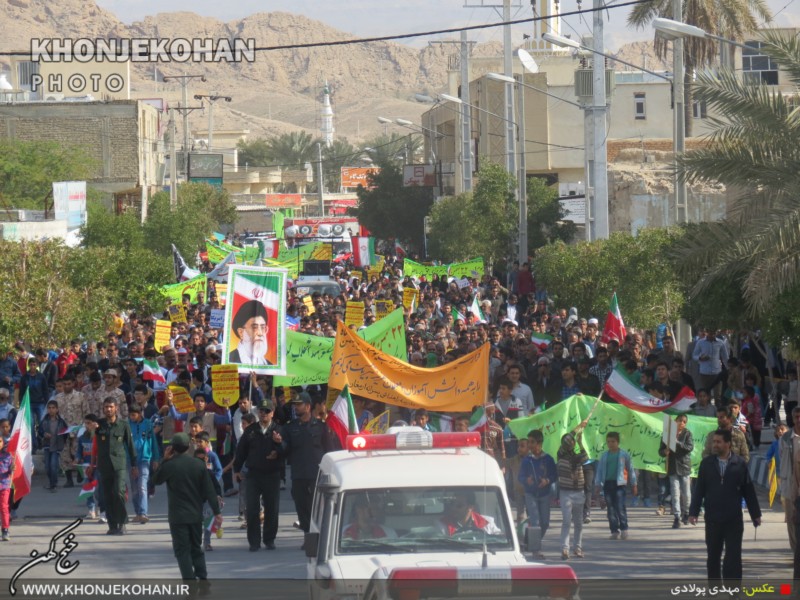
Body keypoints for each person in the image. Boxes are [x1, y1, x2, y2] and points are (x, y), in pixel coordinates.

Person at [689, 429, 761, 587]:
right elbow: (699, 489)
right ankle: (713, 588)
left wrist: (756, 514)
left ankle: (733, 590)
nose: (715, 445)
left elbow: (748, 490)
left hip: (733, 519)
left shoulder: (739, 463)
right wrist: (693, 512)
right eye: (714, 442)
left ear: (728, 444)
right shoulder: (707, 464)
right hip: (713, 519)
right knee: (713, 556)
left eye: (718, 442)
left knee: (733, 557)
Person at [152, 432, 222, 582]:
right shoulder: (198, 464)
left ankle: (189, 582)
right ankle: (202, 577)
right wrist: (217, 512)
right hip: (196, 514)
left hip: (177, 516)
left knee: (182, 550)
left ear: (172, 448)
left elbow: (156, 480)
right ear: (188, 446)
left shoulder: (170, 465)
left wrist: (164, 460)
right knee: (196, 547)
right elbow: (210, 490)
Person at [278, 391, 333, 535]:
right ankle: (308, 535)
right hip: (298, 473)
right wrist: (279, 443)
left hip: (316, 473)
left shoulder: (321, 426)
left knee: (315, 506)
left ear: (308, 407)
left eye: (299, 405)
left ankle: (318, 535)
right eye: (295, 405)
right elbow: (285, 449)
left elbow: (329, 449)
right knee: (301, 506)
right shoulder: (290, 427)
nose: (296, 408)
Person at [233, 400, 284, 552]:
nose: (264, 414)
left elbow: (287, 450)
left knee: (271, 508)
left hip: (272, 474)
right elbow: (241, 451)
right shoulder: (251, 430)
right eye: (261, 411)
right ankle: (254, 542)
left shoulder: (279, 430)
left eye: (267, 411)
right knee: (253, 509)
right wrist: (237, 470)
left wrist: (279, 446)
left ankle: (269, 539)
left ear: (272, 413)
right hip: (253, 475)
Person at [86, 397, 137, 535]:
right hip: (104, 465)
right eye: (106, 407)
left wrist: (134, 465)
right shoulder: (99, 424)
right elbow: (90, 436)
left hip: (119, 464)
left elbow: (130, 446)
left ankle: (122, 522)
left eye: (111, 407)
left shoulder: (123, 425)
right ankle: (112, 524)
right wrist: (92, 428)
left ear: (116, 409)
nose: (108, 409)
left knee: (119, 492)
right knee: (107, 495)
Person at [518, 430, 556, 559]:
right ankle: (536, 549)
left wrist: (547, 481)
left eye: (532, 442)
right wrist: (526, 480)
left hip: (545, 494)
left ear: (539, 443)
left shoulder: (548, 459)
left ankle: (529, 540)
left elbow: (554, 475)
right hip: (530, 494)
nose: (529, 445)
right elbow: (520, 477)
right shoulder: (526, 461)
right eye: (528, 442)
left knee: (544, 523)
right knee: (535, 522)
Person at [594, 431, 637, 540]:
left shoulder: (623, 455)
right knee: (610, 509)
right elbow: (599, 471)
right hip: (607, 484)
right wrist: (597, 484)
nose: (611, 444)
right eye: (608, 442)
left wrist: (634, 484)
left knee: (620, 506)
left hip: (620, 485)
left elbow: (631, 470)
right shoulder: (604, 456)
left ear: (618, 442)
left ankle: (624, 529)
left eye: (613, 441)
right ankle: (614, 531)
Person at [557, 428, 588, 560]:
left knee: (578, 522)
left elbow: (586, 457)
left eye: (572, 442)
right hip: (565, 492)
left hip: (579, 492)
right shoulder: (561, 454)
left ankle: (578, 548)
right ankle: (565, 549)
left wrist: (580, 443)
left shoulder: (577, 457)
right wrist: (576, 430)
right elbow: (566, 439)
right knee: (566, 521)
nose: (570, 443)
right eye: (569, 442)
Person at [658, 414, 693, 528]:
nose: (681, 423)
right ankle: (677, 517)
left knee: (686, 494)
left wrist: (677, 442)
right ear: (675, 421)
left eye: (684, 421)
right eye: (679, 420)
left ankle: (686, 513)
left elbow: (689, 448)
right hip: (673, 467)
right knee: (675, 493)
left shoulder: (687, 434)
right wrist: (665, 452)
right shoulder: (668, 434)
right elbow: (660, 451)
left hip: (684, 467)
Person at [128, 404, 160, 524]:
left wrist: (156, 458)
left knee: (142, 485)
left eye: (134, 415)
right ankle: (137, 513)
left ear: (140, 413)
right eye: (130, 415)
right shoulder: (127, 425)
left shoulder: (147, 424)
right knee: (135, 488)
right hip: (131, 459)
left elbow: (153, 441)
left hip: (145, 459)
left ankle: (143, 513)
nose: (131, 417)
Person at [436, 491, 502, 536]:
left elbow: (500, 538)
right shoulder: (442, 524)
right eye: (452, 504)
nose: (454, 508)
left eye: (459, 505)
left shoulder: (487, 522)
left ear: (470, 507)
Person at [229, 300, 272, 365]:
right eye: (254, 327)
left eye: (263, 327)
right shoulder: (230, 360)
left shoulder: (269, 366)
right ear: (241, 332)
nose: (260, 333)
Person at [38, 400, 68, 491]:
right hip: (47, 446)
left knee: (53, 465)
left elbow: (65, 433)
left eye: (53, 408)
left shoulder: (61, 422)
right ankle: (51, 481)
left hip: (56, 447)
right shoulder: (44, 421)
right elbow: (39, 432)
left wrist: (62, 442)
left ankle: (53, 484)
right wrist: (44, 434)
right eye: (49, 408)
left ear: (57, 409)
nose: (51, 410)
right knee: (47, 467)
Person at [0, 434, 12, 541]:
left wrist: (12, 468)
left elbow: (10, 471)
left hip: (4, 485)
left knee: (4, 507)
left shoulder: (8, 456)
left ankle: (5, 529)